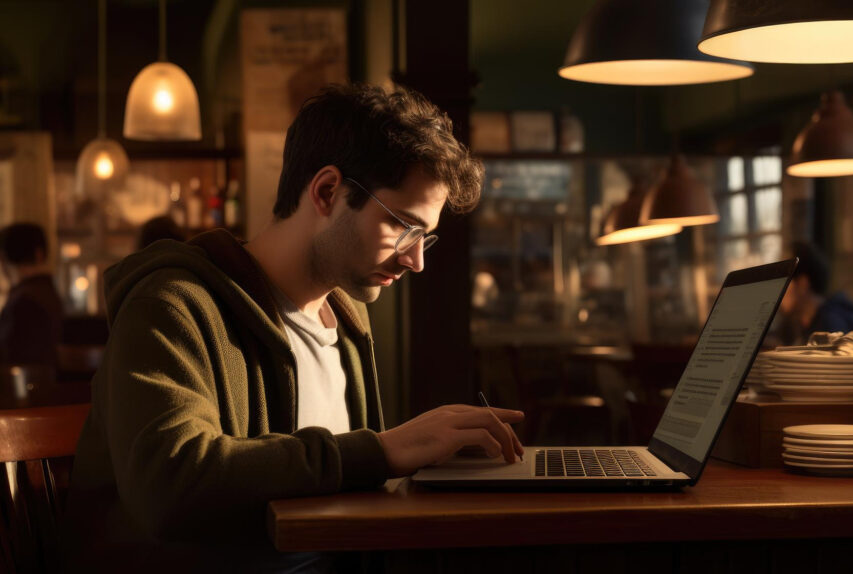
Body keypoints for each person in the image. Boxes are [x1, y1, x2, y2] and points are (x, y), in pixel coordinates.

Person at [63, 84, 525, 572]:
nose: (415, 261)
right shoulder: (173, 305)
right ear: (327, 192)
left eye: (424, 239)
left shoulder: (347, 314)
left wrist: (432, 463)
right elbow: (169, 484)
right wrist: (383, 450)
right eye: (403, 227)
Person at [0, 222, 63, 368]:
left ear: (4, 259)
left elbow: (10, 356)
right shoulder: (46, 292)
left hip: (22, 386)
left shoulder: (24, 300)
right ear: (39, 254)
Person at [777, 242, 853, 345]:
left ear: (803, 284)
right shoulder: (795, 324)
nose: (778, 291)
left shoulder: (833, 325)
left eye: (783, 282)